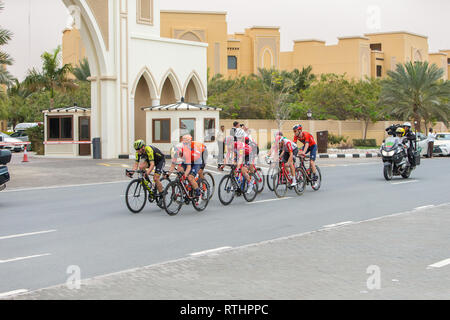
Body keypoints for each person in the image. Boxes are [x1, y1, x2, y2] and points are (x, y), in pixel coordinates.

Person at [165, 135, 206, 199]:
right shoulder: (176, 152)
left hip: (197, 161)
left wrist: (185, 175)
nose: (177, 156)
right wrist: (168, 174)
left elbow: (188, 167)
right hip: (188, 159)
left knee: (190, 177)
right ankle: (185, 188)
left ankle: (199, 192)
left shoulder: (186, 151)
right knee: (179, 169)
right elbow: (173, 165)